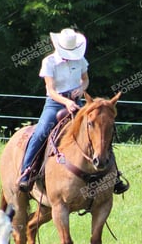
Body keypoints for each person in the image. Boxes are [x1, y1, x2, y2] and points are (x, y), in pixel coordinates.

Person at [18, 28, 129, 195]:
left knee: (99, 130)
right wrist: (66, 102)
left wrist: (80, 89)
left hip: (77, 103)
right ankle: (27, 171)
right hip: (55, 104)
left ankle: (113, 176)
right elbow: (51, 89)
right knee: (40, 132)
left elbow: (85, 80)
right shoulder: (49, 62)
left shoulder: (80, 60)